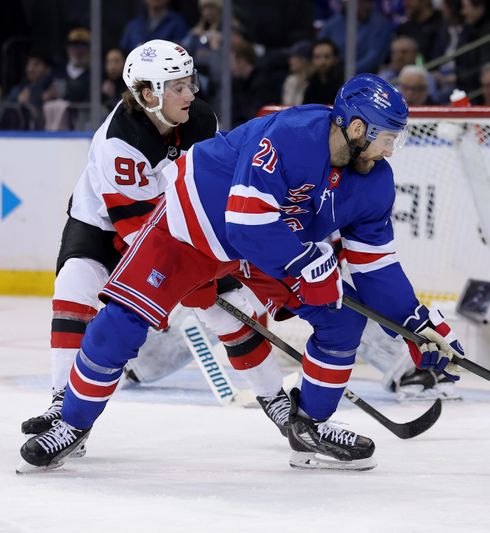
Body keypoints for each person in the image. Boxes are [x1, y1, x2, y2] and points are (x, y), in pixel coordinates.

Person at [18, 73, 464, 473]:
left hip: (265, 243)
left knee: (343, 319)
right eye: (387, 138)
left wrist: (418, 324)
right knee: (120, 322)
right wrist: (310, 262)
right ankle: (72, 424)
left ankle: (309, 426)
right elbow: (246, 221)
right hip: (193, 224)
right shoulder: (292, 132)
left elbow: (377, 265)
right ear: (357, 127)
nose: (390, 151)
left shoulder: (375, 182)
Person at [19, 40, 289, 464]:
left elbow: (210, 192)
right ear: (148, 93)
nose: (191, 94)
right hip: (103, 225)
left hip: (180, 226)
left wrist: (205, 277)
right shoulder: (119, 141)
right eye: (178, 86)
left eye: (190, 83)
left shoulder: (201, 120)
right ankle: (62, 404)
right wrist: (187, 284)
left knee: (226, 307)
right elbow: (135, 231)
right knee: (74, 285)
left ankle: (278, 401)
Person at [318, 0, 392, 74]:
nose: (367, 6)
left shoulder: (380, 24)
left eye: (368, 2)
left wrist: (346, 71)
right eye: (361, 3)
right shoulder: (335, 22)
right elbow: (318, 45)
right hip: (334, 73)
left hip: (366, 76)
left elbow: (374, 57)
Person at [120, 0, 189, 53]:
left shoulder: (178, 22)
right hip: (136, 69)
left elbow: (182, 50)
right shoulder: (133, 25)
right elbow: (123, 52)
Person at [303, 39, 345, 105]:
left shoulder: (344, 84)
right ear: (311, 60)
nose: (322, 62)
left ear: (336, 59)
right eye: (317, 57)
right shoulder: (309, 86)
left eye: (327, 57)